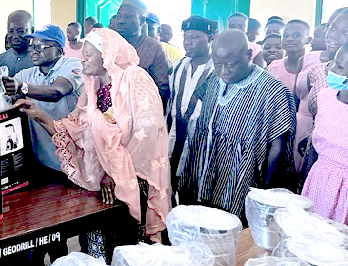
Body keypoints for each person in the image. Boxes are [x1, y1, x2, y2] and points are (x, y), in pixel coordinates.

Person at [15, 28, 170, 247]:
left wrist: (113, 172)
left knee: (127, 247)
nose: (83, 57)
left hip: (133, 178)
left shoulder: (134, 78)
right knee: (97, 246)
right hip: (101, 179)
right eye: (83, 53)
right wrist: (38, 114)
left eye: (89, 53)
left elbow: (147, 134)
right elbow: (75, 130)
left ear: (107, 53)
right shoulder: (93, 86)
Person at [178, 30, 297, 220]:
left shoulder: (273, 90)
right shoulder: (214, 79)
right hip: (205, 170)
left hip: (241, 177)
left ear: (249, 55)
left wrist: (266, 189)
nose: (224, 71)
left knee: (234, 229)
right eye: (218, 64)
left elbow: (278, 146)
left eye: (232, 65)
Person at [2, 24, 83, 172]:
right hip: (45, 161)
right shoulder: (26, 75)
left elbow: (57, 92)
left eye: (41, 46)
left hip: (76, 159)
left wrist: (21, 87)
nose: (34, 51)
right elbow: (3, 98)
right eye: (32, 45)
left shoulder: (72, 64)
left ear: (59, 50)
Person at [168, 16, 217, 196]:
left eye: (195, 37)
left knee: (197, 189)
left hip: (204, 141)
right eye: (186, 37)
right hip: (176, 137)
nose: (188, 42)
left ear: (211, 37)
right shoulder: (178, 66)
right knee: (172, 186)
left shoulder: (220, 70)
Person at [300, 8, 348, 182]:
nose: (334, 35)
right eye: (332, 28)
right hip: (317, 156)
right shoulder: (317, 72)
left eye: (345, 31)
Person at [302, 43, 348, 224]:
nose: (332, 69)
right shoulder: (326, 97)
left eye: (340, 67)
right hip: (320, 180)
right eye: (334, 63)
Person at [115, 0, 170, 109]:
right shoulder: (110, 45)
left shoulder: (154, 49)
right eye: (119, 17)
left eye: (127, 17)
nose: (121, 21)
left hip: (142, 113)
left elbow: (163, 89)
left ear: (141, 21)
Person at [267, 20, 312, 93]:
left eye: (296, 35)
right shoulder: (274, 67)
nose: (289, 39)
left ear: (309, 40)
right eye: (285, 36)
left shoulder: (313, 66)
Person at [0, 10, 34, 77]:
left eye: (21, 31)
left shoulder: (40, 61)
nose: (15, 36)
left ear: (32, 31)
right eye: (11, 31)